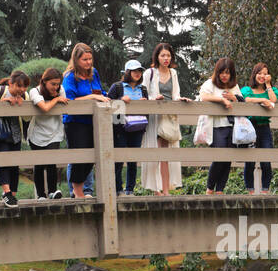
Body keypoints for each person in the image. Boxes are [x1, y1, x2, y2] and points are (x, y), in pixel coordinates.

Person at [60, 43, 110, 199]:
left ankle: (81, 189)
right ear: (76, 59)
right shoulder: (70, 76)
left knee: (93, 156)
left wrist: (105, 95)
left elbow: (99, 90)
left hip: (93, 121)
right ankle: (77, 191)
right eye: (84, 59)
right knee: (79, 156)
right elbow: (70, 99)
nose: (88, 62)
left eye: (90, 59)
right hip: (75, 121)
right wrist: (93, 97)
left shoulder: (93, 73)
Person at [141, 42, 186, 195]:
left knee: (166, 153)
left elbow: (176, 93)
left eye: (168, 55)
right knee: (157, 152)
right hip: (155, 116)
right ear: (157, 57)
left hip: (169, 115)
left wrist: (180, 99)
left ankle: (165, 189)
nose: (166, 58)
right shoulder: (149, 73)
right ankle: (157, 189)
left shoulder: (173, 73)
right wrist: (155, 98)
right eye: (163, 55)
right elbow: (143, 94)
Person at [0, 70, 30, 207]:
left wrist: (22, 107)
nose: (22, 90)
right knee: (5, 159)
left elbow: (27, 118)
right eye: (19, 86)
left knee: (14, 163)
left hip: (15, 132)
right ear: (11, 83)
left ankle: (12, 195)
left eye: (24, 87)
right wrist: (3, 103)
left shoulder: (25, 95)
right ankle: (6, 192)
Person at [199, 57, 243, 195]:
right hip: (216, 126)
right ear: (217, 72)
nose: (224, 76)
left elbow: (242, 101)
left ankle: (220, 190)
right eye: (222, 72)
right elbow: (204, 97)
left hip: (231, 125)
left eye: (227, 73)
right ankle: (210, 189)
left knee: (227, 158)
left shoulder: (234, 86)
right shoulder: (210, 84)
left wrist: (233, 98)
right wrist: (222, 99)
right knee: (219, 156)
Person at [108, 59, 149, 195]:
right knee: (118, 159)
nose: (137, 73)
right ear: (127, 72)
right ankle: (118, 189)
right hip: (120, 127)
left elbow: (147, 110)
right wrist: (120, 101)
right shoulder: (117, 87)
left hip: (137, 127)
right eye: (134, 71)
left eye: (139, 71)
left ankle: (130, 190)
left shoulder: (143, 89)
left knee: (133, 159)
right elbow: (109, 106)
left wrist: (143, 104)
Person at [27, 67, 68, 200]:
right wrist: (56, 100)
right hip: (37, 132)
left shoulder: (61, 90)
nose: (56, 87)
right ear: (44, 82)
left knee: (51, 162)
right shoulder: (35, 91)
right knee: (39, 164)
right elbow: (44, 108)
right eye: (53, 84)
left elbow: (65, 105)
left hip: (54, 131)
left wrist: (57, 97)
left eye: (58, 84)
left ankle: (52, 191)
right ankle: (40, 195)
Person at [240, 62, 277, 193]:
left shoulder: (270, 90)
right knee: (249, 160)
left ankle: (265, 191)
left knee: (266, 159)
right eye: (260, 73)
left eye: (265, 73)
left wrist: (268, 85)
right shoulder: (247, 89)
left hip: (264, 127)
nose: (262, 76)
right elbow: (247, 99)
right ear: (254, 74)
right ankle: (250, 191)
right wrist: (262, 101)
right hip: (250, 127)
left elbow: (274, 100)